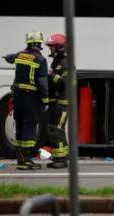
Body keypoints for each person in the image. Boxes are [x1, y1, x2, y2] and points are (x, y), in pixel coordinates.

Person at [3, 31, 49, 170]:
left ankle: (20, 159)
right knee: (30, 126)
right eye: (40, 43)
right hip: (30, 97)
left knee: (21, 125)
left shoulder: (19, 55)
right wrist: (45, 100)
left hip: (17, 96)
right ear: (35, 43)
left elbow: (10, 58)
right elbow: (42, 83)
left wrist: (5, 57)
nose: (41, 46)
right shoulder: (40, 60)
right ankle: (27, 160)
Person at [45, 33, 69, 169]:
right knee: (52, 129)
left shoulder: (65, 63)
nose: (50, 49)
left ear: (60, 47)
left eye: (52, 47)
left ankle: (61, 160)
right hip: (56, 102)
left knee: (57, 130)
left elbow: (63, 84)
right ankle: (58, 157)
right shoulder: (57, 61)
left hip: (63, 104)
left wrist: (51, 74)